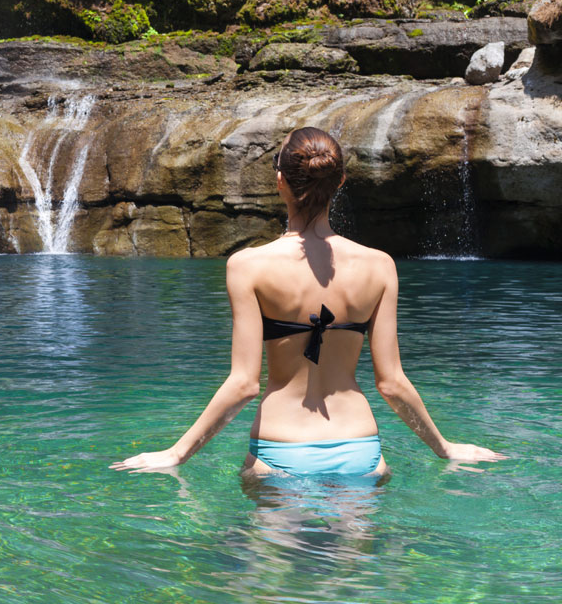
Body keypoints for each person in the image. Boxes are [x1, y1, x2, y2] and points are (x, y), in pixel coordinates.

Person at [111, 126, 505, 478]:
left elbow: (244, 384)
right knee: (355, 563)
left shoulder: (247, 267)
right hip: (360, 450)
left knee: (273, 562)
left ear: (280, 181)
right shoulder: (380, 266)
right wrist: (446, 448)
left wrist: (176, 454)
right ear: (341, 182)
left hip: (280, 451)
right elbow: (392, 384)